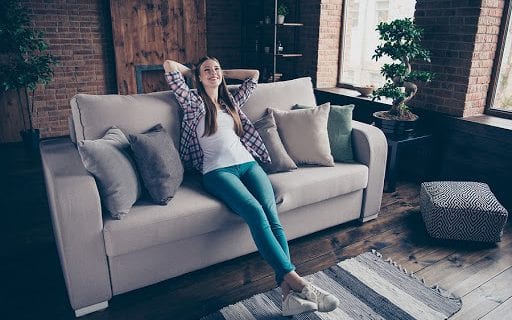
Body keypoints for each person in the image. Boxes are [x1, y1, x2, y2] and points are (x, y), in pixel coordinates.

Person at [163, 56, 339, 316]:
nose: (213, 73)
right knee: (255, 213)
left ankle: (288, 296)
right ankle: (300, 283)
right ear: (197, 78)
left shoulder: (230, 101)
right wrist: (192, 72)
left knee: (272, 215)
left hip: (249, 165)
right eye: (207, 71)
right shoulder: (192, 102)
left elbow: (254, 73)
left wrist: (222, 71)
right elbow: (168, 66)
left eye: (216, 69)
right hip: (217, 172)